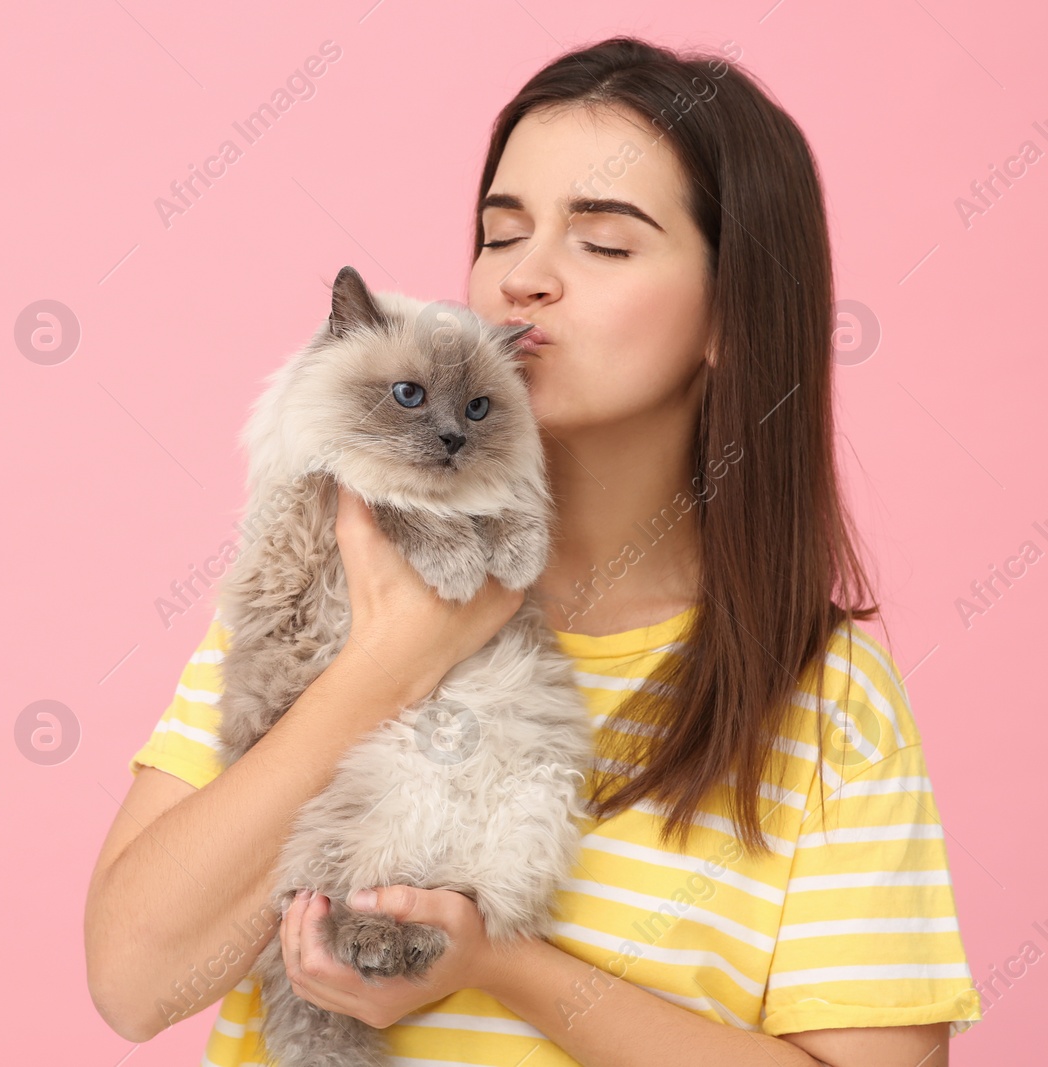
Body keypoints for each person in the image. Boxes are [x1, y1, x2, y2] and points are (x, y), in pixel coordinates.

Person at [85, 34, 983, 1066]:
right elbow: (134, 980)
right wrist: (391, 658)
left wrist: (499, 964)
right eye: (499, 234)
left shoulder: (824, 695)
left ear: (729, 313)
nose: (524, 280)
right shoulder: (330, 569)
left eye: (602, 243)